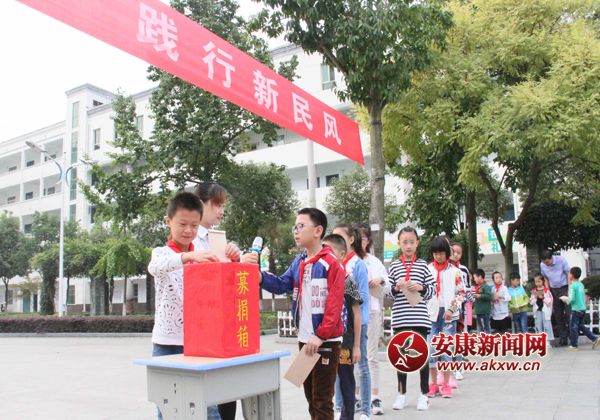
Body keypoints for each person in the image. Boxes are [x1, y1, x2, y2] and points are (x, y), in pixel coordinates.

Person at [260, 208, 345, 420]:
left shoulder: (331, 263)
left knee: (322, 400)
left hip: (325, 341)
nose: (296, 231)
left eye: (300, 226)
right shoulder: (300, 262)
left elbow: (335, 304)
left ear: (318, 230)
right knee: (311, 398)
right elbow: (282, 284)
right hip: (305, 340)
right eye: (294, 227)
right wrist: (259, 277)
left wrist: (321, 335)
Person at [148, 191, 220, 420]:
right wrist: (187, 258)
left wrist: (234, 257)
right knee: (167, 406)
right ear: (168, 221)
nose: (188, 230)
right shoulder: (161, 253)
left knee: (208, 405)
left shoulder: (204, 255)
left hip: (199, 343)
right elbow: (155, 266)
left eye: (194, 225)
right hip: (166, 343)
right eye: (182, 224)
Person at [193, 182, 257, 419]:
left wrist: (237, 261)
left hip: (223, 325)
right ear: (201, 203)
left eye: (223, 206)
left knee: (227, 390)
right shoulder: (192, 240)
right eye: (217, 205)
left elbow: (227, 283)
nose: (221, 211)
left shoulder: (217, 237)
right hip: (204, 327)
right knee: (211, 395)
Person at [388, 227, 435, 411]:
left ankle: (424, 394)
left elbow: (432, 290)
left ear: (417, 243)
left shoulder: (423, 265)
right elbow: (388, 293)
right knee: (401, 357)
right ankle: (401, 394)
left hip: (420, 318)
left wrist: (421, 287)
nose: (408, 246)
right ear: (399, 244)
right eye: (405, 242)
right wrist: (396, 288)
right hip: (400, 318)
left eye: (412, 242)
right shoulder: (394, 266)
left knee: (422, 356)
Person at [331, 224, 371, 420]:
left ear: (350, 240)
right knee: (339, 371)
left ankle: (364, 409)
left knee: (358, 368)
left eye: (339, 237)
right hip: (335, 331)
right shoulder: (329, 268)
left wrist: (356, 342)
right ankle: (340, 408)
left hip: (353, 328)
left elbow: (360, 301)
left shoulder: (356, 267)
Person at [323, 234, 362, 420]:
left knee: (346, 382)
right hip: (322, 340)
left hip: (344, 342)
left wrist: (356, 346)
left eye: (329, 251)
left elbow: (356, 313)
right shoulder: (319, 278)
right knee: (322, 384)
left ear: (341, 254)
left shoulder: (348, 280)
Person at [355, 223, 388, 415]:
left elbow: (387, 284)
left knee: (371, 355)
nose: (361, 242)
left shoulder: (374, 262)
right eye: (357, 238)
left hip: (372, 311)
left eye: (364, 238)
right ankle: (357, 396)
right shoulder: (349, 261)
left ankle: (374, 396)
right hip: (353, 313)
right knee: (354, 355)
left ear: (368, 241)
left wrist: (379, 280)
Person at [426, 236, 462, 399]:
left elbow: (461, 293)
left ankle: (446, 383)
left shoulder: (455, 272)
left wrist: (452, 309)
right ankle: (433, 384)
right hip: (431, 314)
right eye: (435, 253)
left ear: (447, 253)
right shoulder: (428, 270)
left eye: (441, 253)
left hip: (448, 315)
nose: (438, 256)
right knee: (431, 350)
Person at [560, 267, 600, 351]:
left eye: (569, 273)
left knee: (573, 327)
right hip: (582, 308)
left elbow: (572, 299)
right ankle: (594, 339)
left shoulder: (573, 286)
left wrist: (566, 300)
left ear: (572, 275)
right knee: (580, 325)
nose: (568, 275)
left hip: (576, 309)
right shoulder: (581, 284)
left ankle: (574, 345)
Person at [540, 250, 571, 347]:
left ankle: (572, 337)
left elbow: (568, 274)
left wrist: (570, 289)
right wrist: (548, 291)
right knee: (558, 315)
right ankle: (563, 339)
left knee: (569, 313)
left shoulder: (561, 260)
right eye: (544, 262)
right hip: (553, 290)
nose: (546, 264)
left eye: (547, 262)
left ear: (551, 258)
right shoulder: (542, 265)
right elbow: (545, 278)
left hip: (564, 288)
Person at [530, 273, 554, 346]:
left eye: (539, 281)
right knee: (538, 325)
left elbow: (550, 301)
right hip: (537, 310)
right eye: (536, 282)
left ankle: (547, 340)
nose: (537, 283)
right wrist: (535, 298)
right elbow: (531, 301)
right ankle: (539, 340)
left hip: (545, 311)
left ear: (542, 281)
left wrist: (542, 298)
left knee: (546, 325)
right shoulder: (534, 290)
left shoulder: (546, 290)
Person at [473, 269, 492, 333]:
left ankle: (488, 338)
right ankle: (483, 337)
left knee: (486, 328)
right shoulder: (478, 287)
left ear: (480, 277)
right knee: (481, 328)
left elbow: (489, 296)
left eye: (475, 277)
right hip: (479, 311)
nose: (474, 279)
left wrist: (480, 296)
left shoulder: (485, 286)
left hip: (484, 312)